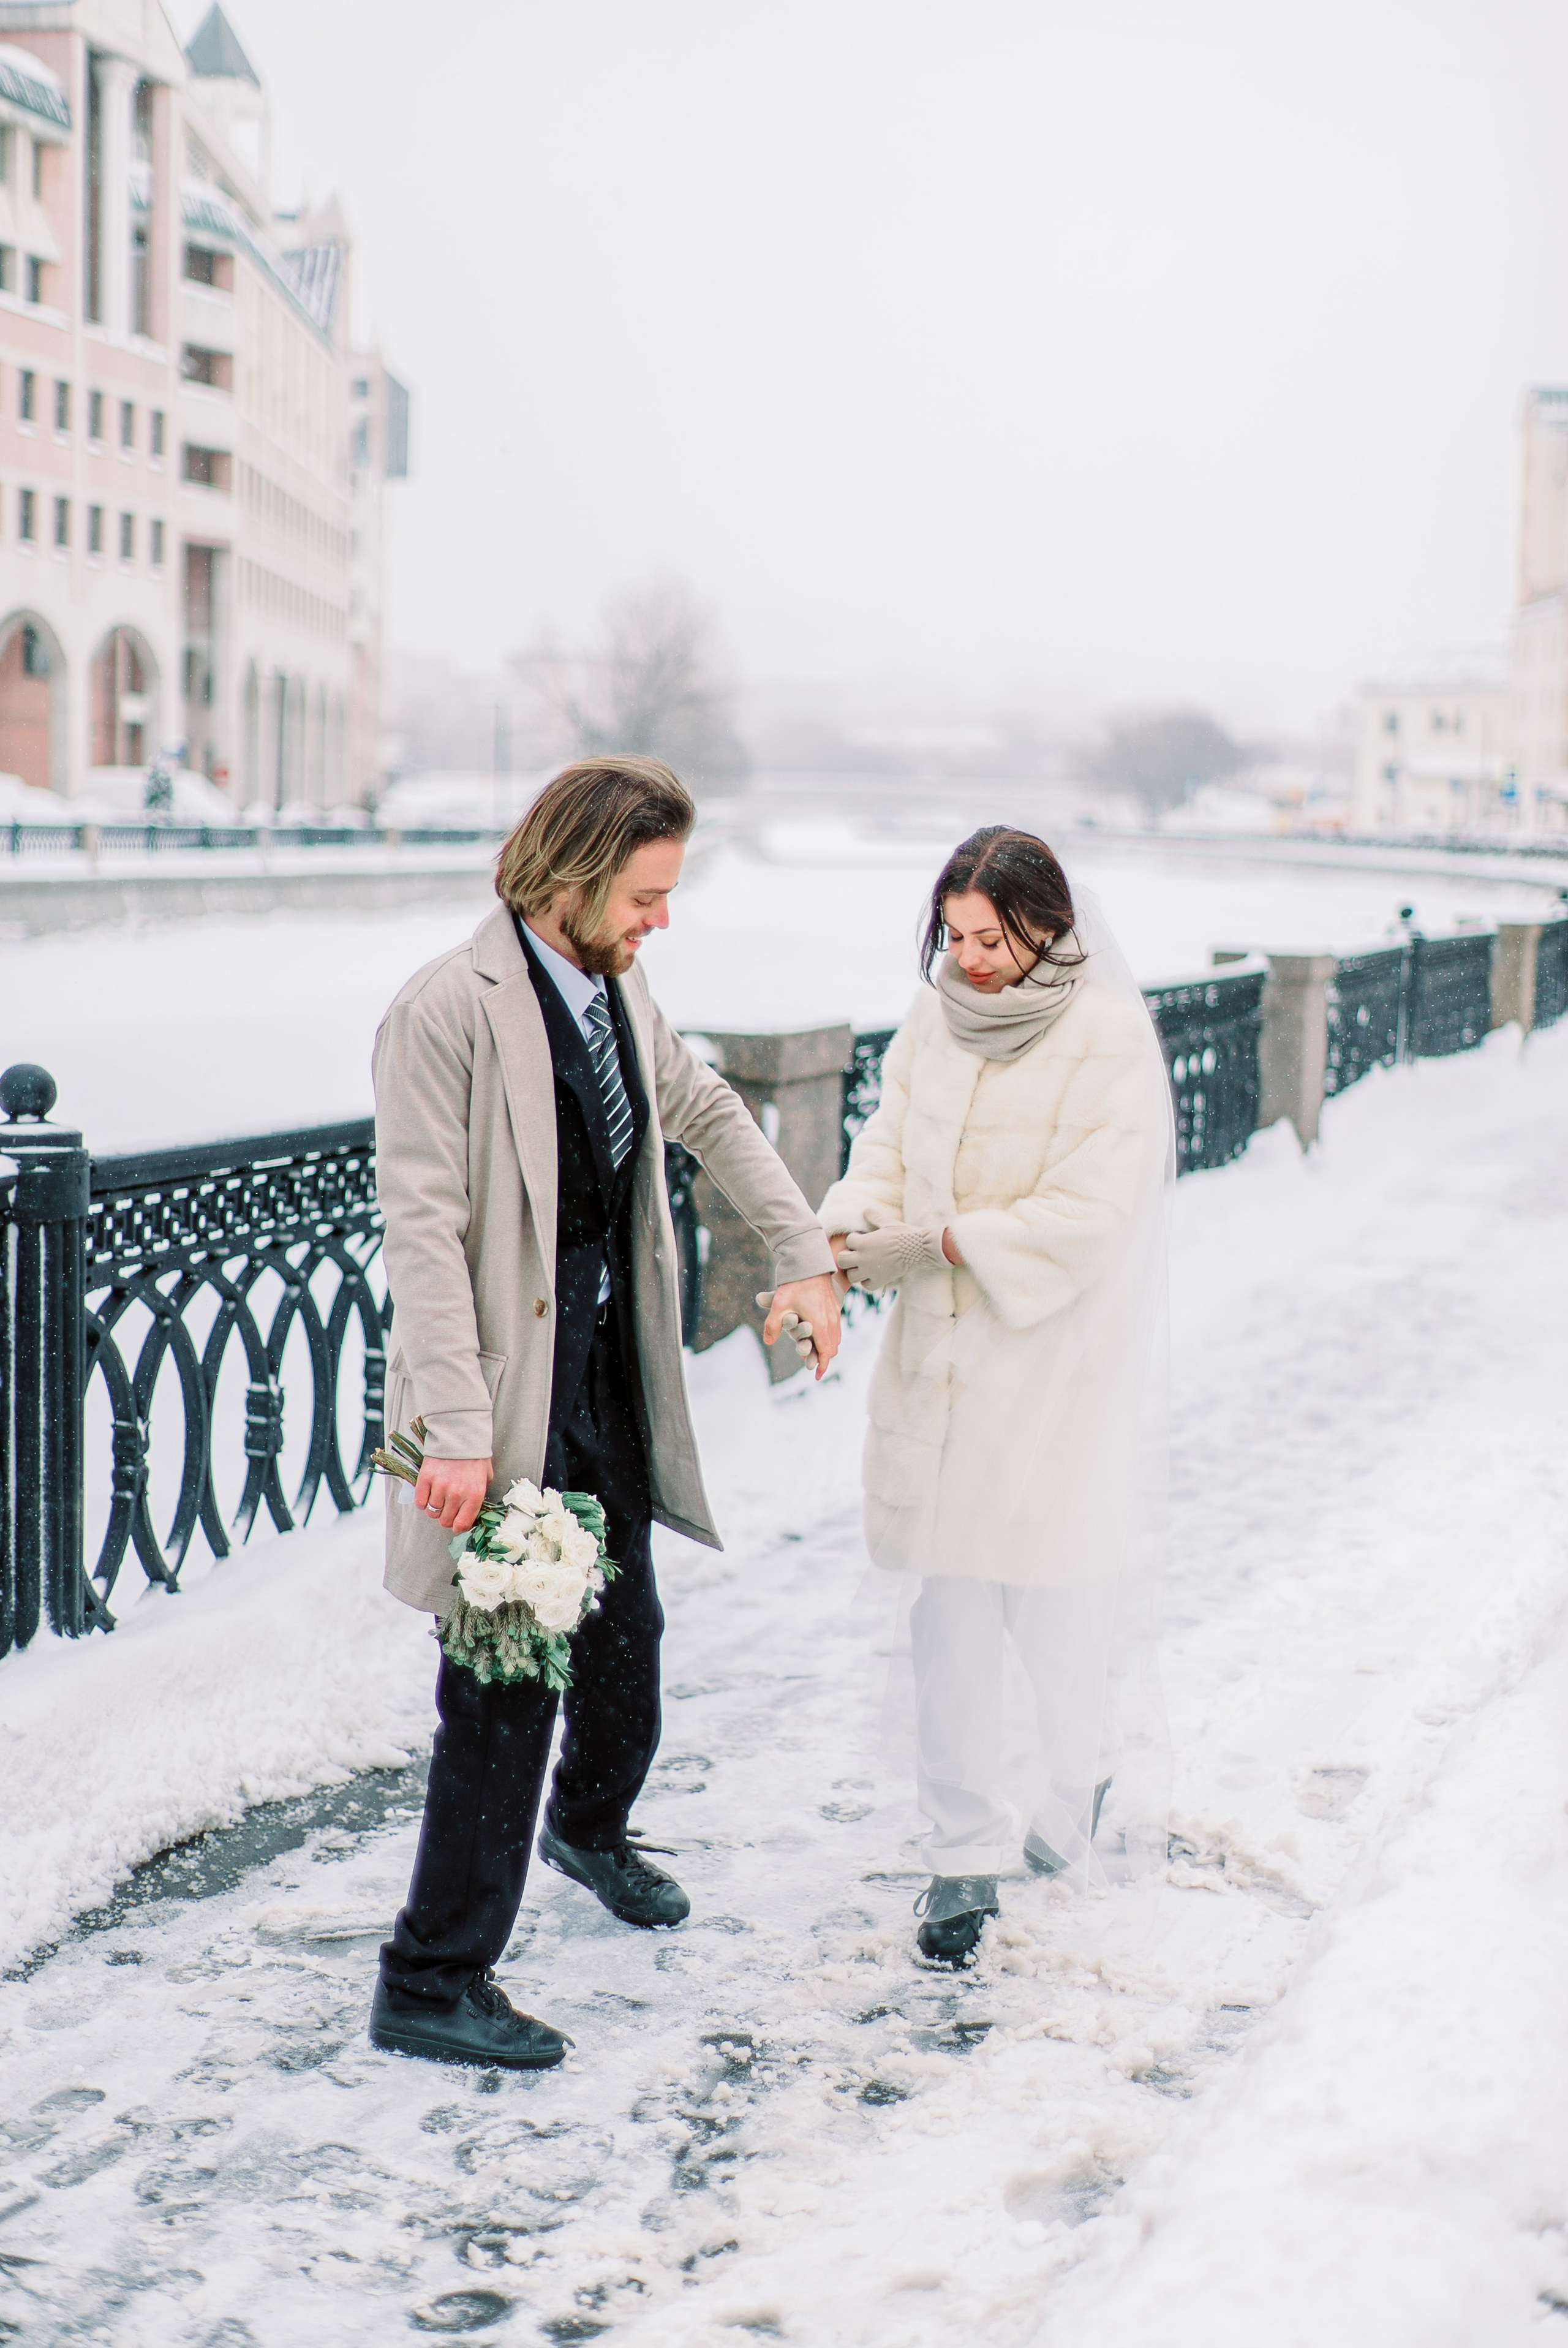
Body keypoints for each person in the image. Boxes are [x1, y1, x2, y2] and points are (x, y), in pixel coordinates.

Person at [368, 756, 842, 2069]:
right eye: (644, 895)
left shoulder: (618, 993)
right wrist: (456, 1431)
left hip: (604, 1395)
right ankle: (430, 1977)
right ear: (570, 879)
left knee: (626, 1642)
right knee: (505, 1685)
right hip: (501, 1413)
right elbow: (423, 1231)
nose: (660, 921)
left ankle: (586, 1828)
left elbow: (703, 1110)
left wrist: (802, 1251)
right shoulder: (443, 1012)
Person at [817, 825, 1172, 1966]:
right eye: (957, 936)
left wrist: (948, 1241)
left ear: (1049, 925)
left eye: (993, 938)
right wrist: (844, 1233)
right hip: (939, 1367)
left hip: (1049, 1370)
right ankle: (962, 1855)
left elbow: (1090, 1216)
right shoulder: (936, 1020)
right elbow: (883, 1144)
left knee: (1052, 1606)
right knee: (952, 1616)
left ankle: (1080, 1774)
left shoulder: (1107, 1040)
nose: (972, 959)